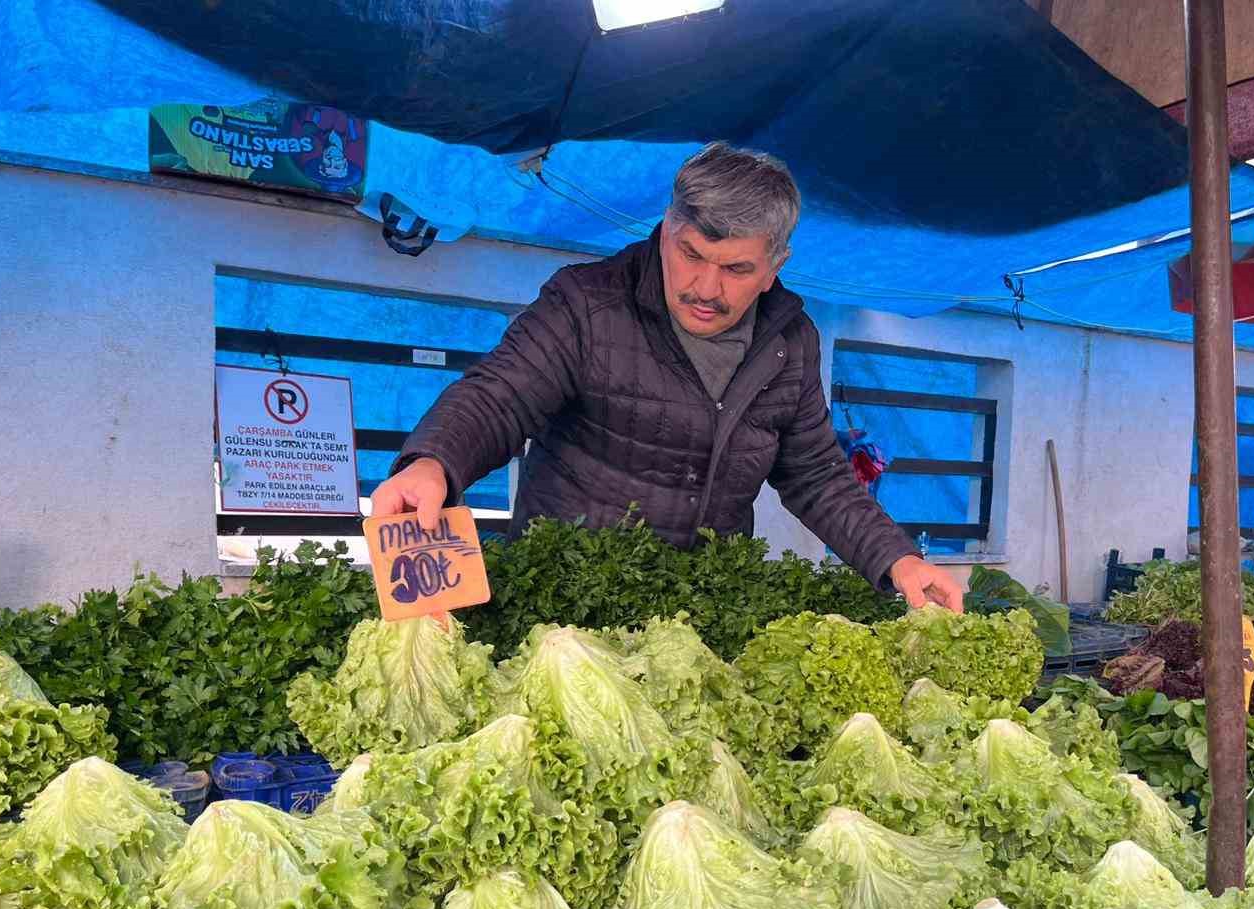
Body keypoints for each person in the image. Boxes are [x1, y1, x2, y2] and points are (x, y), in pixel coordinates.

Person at [373, 142, 967, 609]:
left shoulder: (790, 344)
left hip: (699, 615)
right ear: (665, 228)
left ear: (774, 267)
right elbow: (500, 396)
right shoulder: (586, 304)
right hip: (565, 611)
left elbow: (817, 475)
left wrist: (899, 561)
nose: (705, 289)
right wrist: (433, 462)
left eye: (735, 269)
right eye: (690, 254)